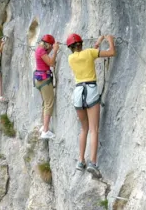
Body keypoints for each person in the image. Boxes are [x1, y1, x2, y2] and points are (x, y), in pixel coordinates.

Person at [65, 33, 116, 177]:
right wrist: (110, 41)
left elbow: (88, 55)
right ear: (81, 44)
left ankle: (81, 161)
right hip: (91, 91)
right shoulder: (89, 53)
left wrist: (98, 42)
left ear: (70, 48)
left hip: (78, 93)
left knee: (84, 129)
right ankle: (93, 163)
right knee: (94, 129)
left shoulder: (71, 58)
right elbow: (111, 53)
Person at [34, 34, 58, 139]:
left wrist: (51, 50)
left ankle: (43, 125)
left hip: (39, 79)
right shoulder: (41, 51)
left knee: (45, 102)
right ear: (48, 45)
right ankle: (45, 131)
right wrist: (56, 51)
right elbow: (51, 63)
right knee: (49, 103)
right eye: (51, 45)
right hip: (44, 80)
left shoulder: (39, 49)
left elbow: (46, 58)